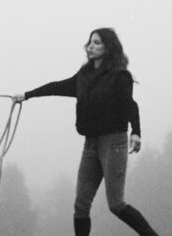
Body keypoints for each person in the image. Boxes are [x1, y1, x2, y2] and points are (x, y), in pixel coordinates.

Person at [13, 28, 159, 236]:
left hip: (114, 142)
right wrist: (27, 95)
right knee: (81, 205)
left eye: (97, 43)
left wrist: (136, 132)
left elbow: (130, 105)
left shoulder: (120, 76)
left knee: (116, 204)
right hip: (90, 144)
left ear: (108, 47)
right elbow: (57, 87)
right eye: (90, 42)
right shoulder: (84, 75)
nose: (90, 46)